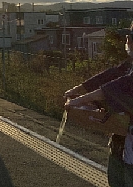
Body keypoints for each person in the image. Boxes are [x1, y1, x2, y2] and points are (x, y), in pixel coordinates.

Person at [64, 28, 133, 187]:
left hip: (129, 143)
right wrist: (76, 90)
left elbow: (112, 88)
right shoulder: (128, 65)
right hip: (121, 139)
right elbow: (110, 76)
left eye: (129, 38)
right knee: (117, 178)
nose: (127, 42)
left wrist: (77, 101)